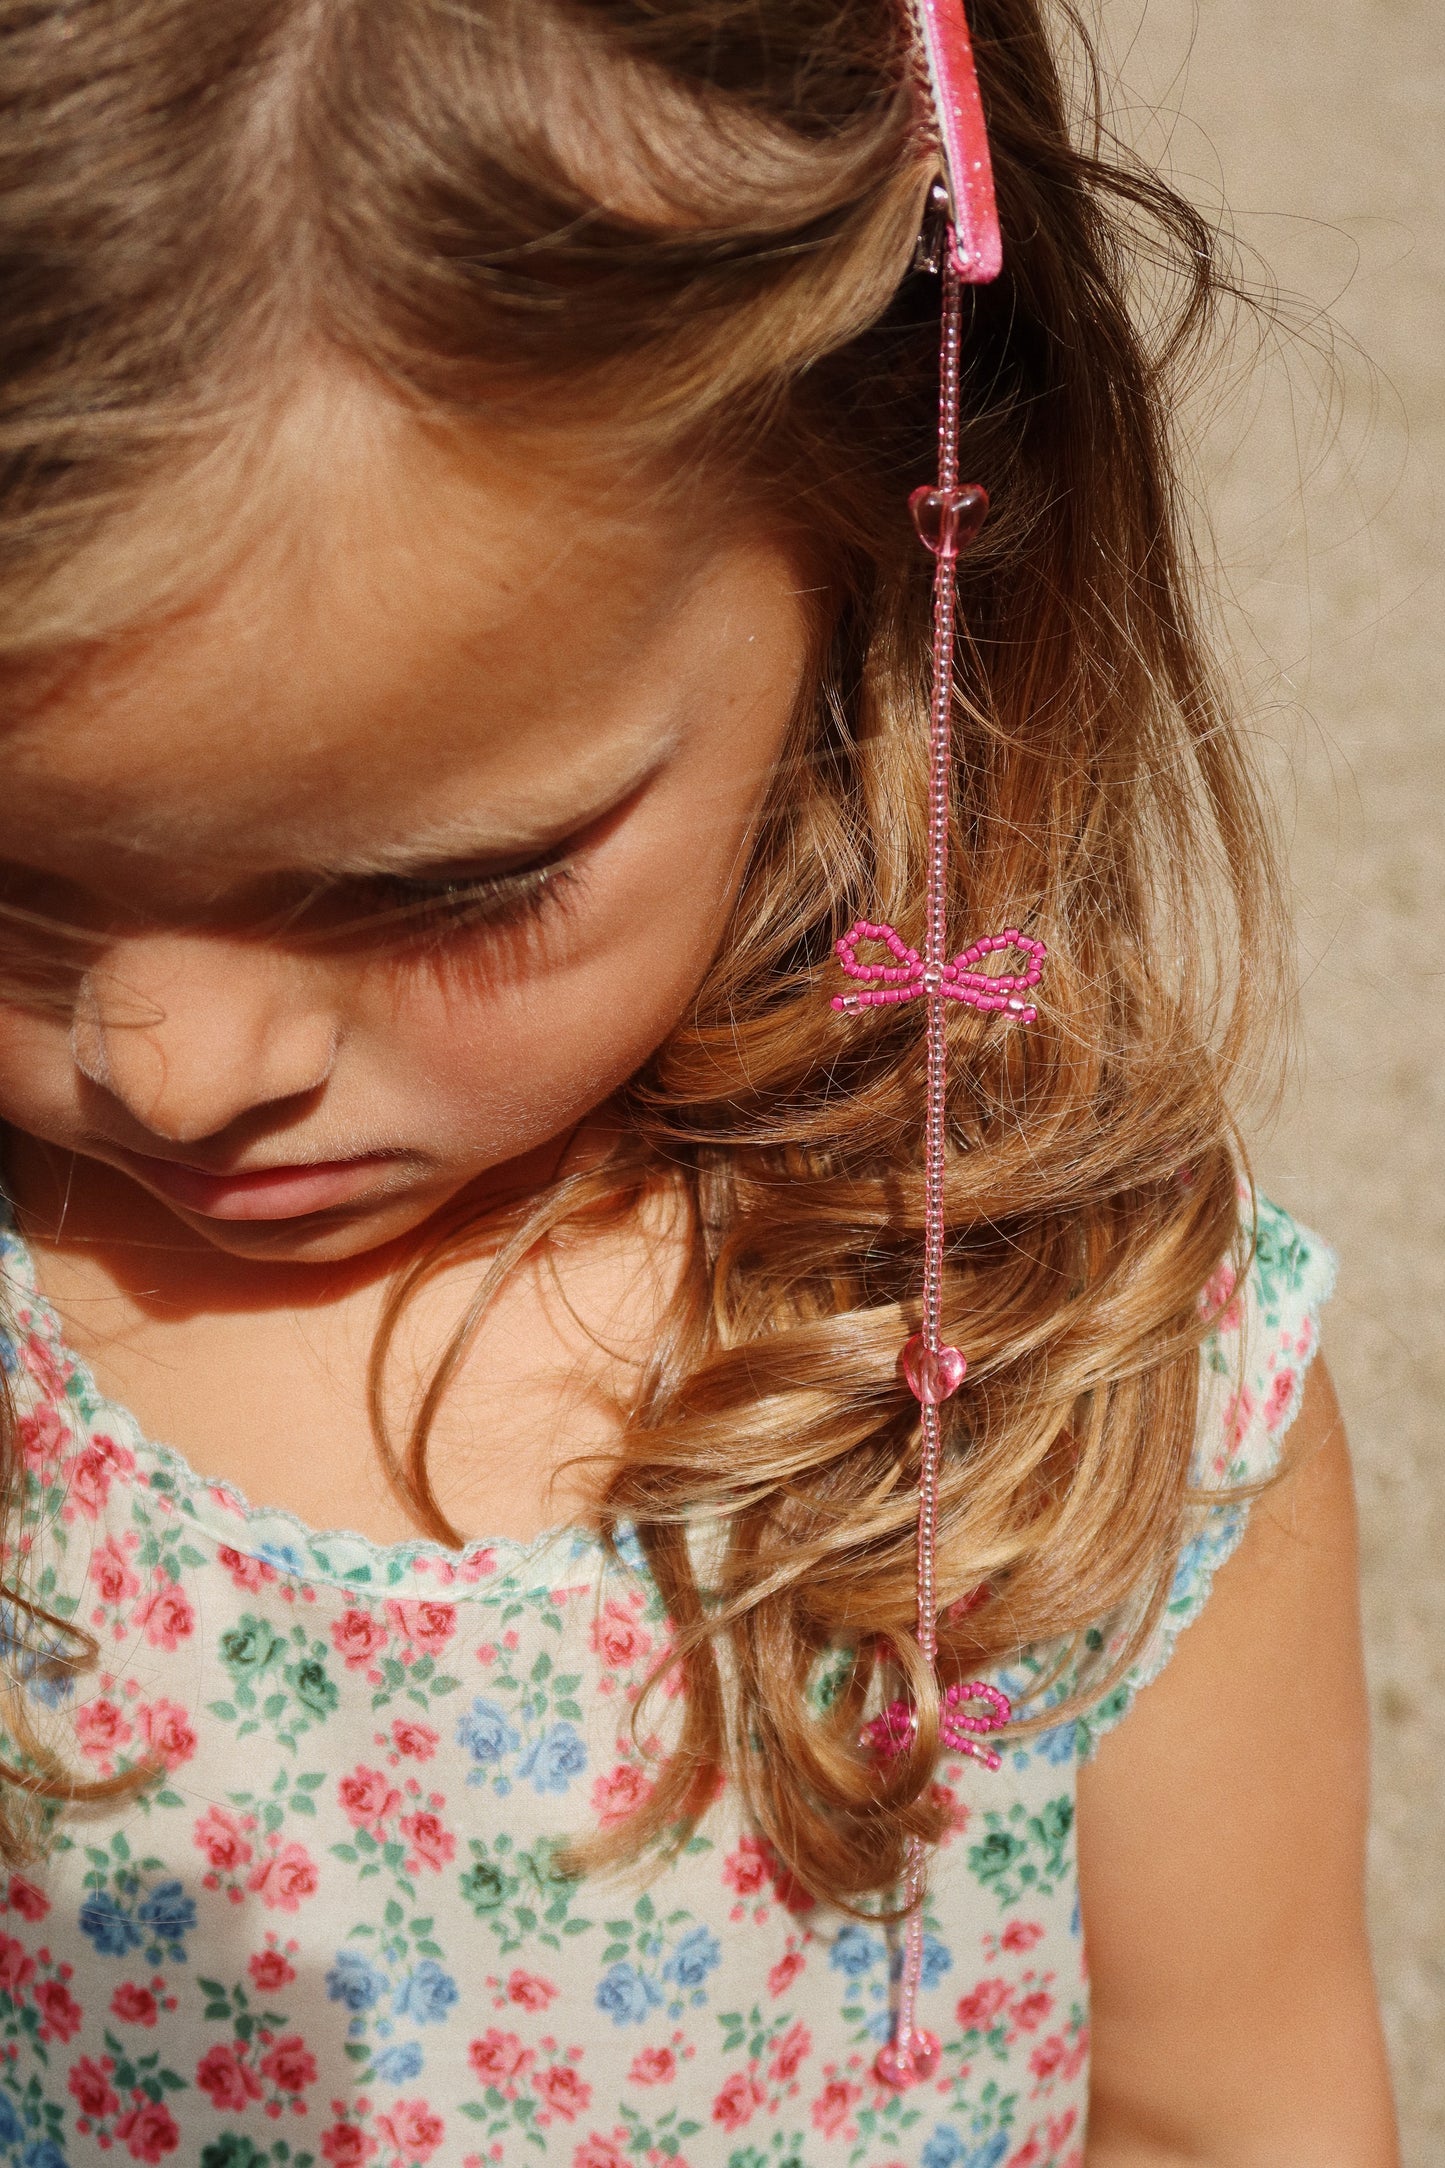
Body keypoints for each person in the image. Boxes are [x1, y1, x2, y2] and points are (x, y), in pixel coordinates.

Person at [0, 1, 1398, 2162]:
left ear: (885, 540)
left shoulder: (1065, 1370)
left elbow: (1228, 2106)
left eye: (450, 885)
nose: (181, 1071)